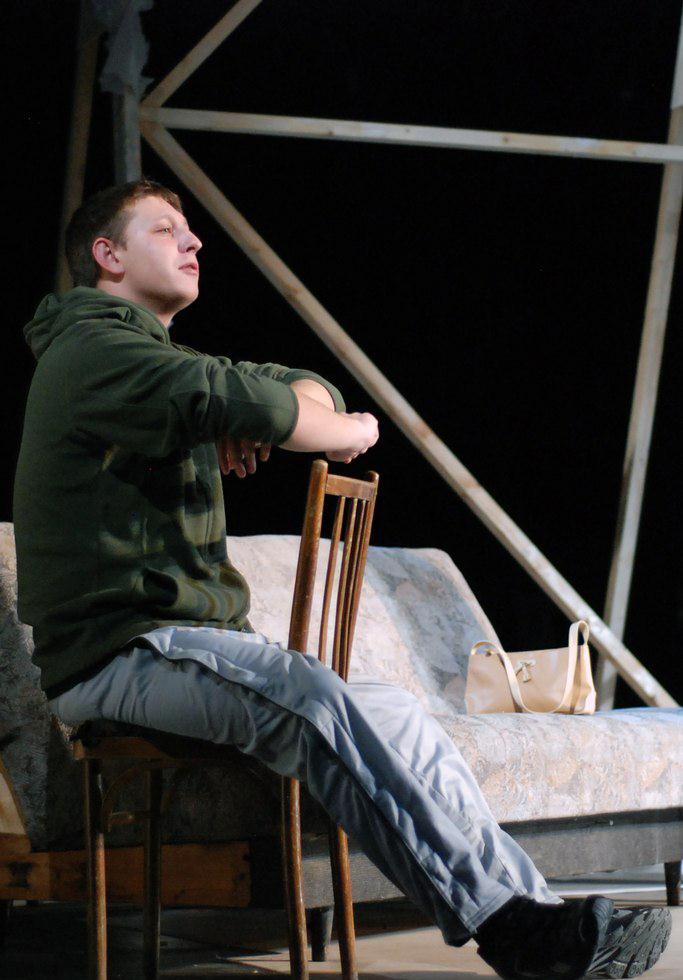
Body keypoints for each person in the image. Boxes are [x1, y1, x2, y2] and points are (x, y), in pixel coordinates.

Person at [13, 179, 671, 980]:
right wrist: (339, 428)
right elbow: (274, 409)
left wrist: (291, 412)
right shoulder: (94, 351)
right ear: (106, 255)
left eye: (189, 230)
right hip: (125, 655)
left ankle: (532, 914)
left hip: (182, 646)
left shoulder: (156, 361)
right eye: (164, 229)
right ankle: (510, 929)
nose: (193, 242)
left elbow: (296, 383)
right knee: (311, 697)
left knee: (393, 712)